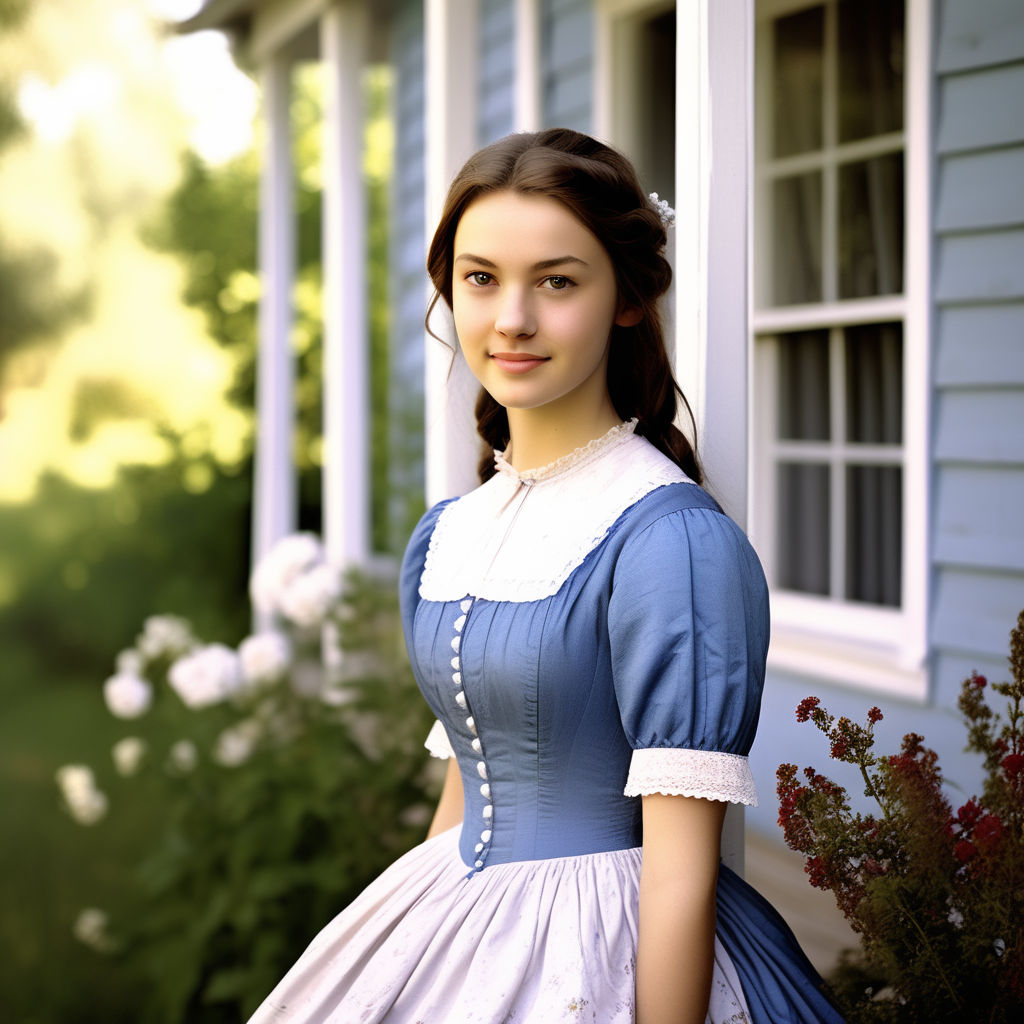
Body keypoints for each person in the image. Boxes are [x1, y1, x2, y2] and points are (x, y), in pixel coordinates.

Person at [247, 128, 843, 1024]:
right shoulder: (453, 530)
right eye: (481, 279)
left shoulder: (671, 542)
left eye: (556, 281)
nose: (511, 319)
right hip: (455, 910)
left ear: (629, 299)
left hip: (607, 944)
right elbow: (464, 786)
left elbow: (681, 874)